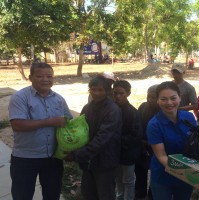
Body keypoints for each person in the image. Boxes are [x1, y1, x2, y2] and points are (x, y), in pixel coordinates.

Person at [8, 62, 73, 200]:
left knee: (52, 195)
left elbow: (69, 124)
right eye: (40, 76)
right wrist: (49, 122)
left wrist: (69, 149)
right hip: (25, 158)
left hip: (53, 158)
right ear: (30, 77)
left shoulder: (59, 99)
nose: (45, 79)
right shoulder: (20, 97)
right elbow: (17, 125)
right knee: (22, 196)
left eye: (49, 76)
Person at [72, 76, 122, 200]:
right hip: (89, 162)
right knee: (88, 193)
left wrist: (78, 155)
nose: (96, 93)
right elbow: (80, 131)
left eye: (100, 90)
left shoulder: (113, 110)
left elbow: (102, 138)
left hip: (105, 161)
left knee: (105, 194)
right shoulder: (87, 108)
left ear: (107, 91)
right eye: (93, 89)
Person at [147, 81, 197, 200]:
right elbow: (161, 155)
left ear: (179, 98)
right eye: (163, 99)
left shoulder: (188, 117)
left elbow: (195, 143)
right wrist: (183, 171)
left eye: (173, 98)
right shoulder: (154, 125)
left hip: (186, 174)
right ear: (158, 101)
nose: (169, 103)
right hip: (163, 175)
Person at [113, 80, 143, 200]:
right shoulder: (111, 108)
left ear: (128, 94)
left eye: (121, 93)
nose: (118, 96)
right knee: (118, 178)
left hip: (128, 154)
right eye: (115, 93)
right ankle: (119, 196)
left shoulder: (132, 112)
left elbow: (136, 135)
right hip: (115, 153)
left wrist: (117, 140)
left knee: (128, 180)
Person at [135, 84, 160, 199]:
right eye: (148, 97)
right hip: (141, 145)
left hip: (156, 147)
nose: (150, 100)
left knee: (156, 173)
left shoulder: (163, 112)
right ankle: (140, 193)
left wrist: (150, 142)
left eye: (153, 97)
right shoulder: (143, 107)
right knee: (140, 171)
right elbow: (138, 124)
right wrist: (140, 140)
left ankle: (152, 194)